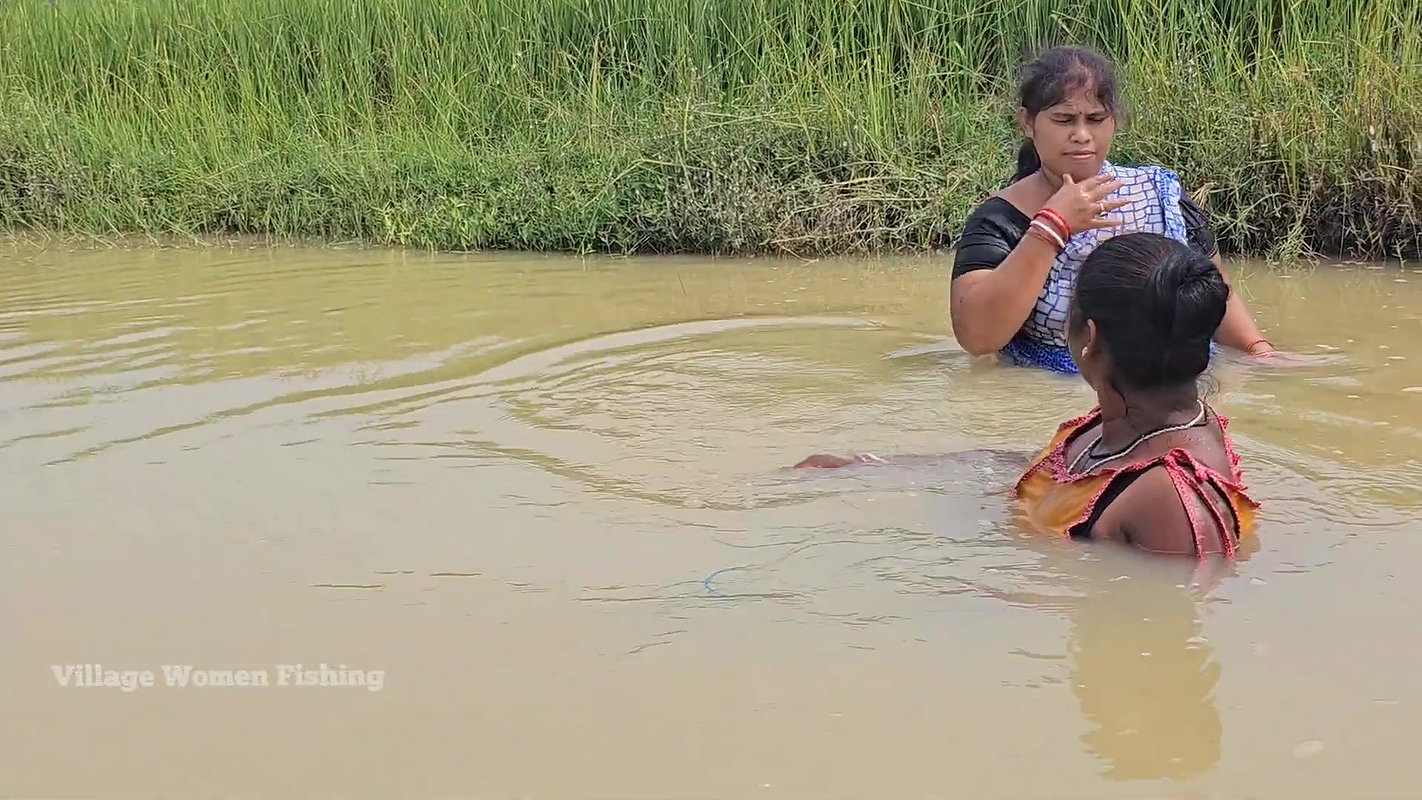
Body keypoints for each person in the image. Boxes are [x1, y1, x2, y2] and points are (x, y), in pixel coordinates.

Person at [796, 232, 1259, 557]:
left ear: (1089, 337)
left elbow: (1163, 622)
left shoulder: (1172, 499)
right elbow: (1041, 473)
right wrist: (874, 469)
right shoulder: (1121, 422)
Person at [951, 45, 1276, 373]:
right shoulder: (1001, 218)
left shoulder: (1159, 194)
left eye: (1095, 119)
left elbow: (1215, 292)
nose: (1081, 135)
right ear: (1027, 122)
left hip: (1170, 385)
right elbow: (978, 338)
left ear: (1114, 121)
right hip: (1053, 390)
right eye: (1064, 119)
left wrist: (1258, 351)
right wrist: (1051, 227)